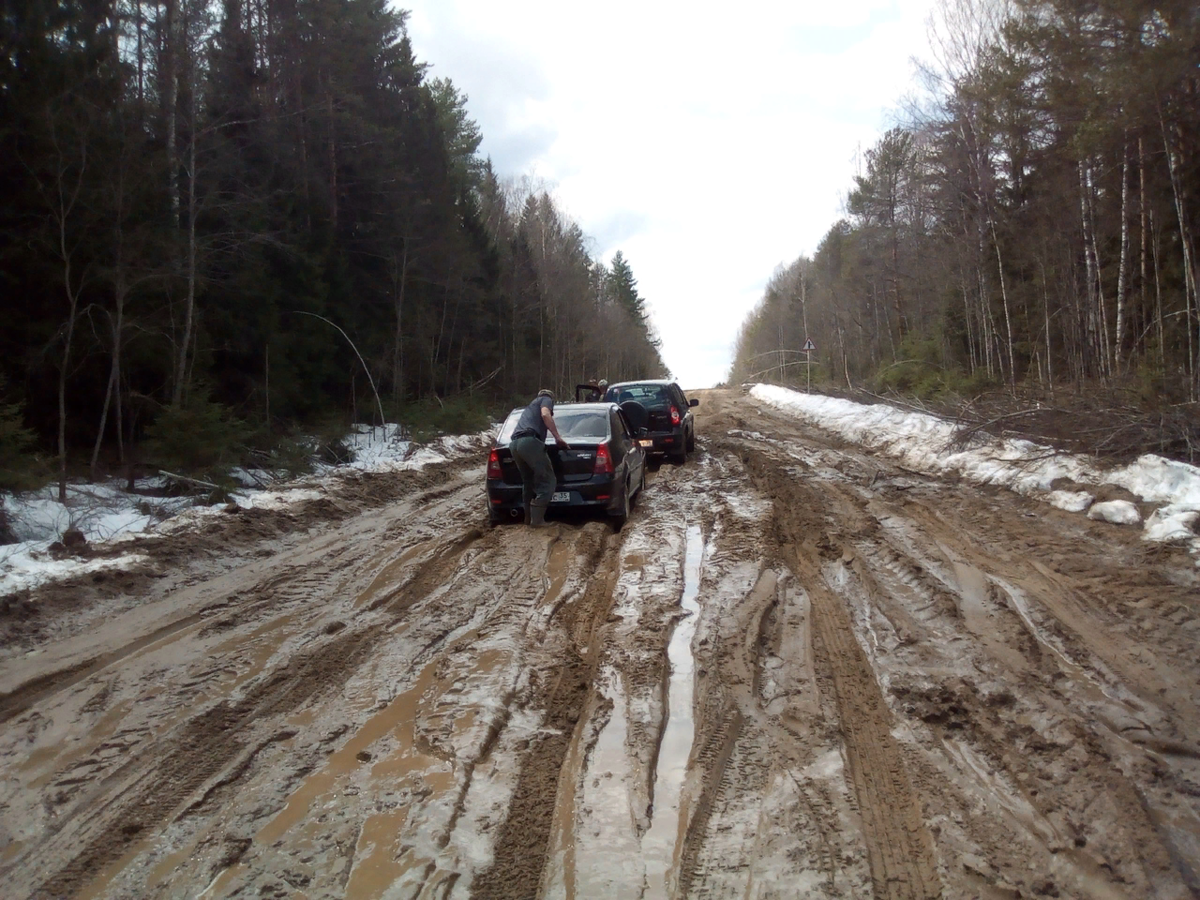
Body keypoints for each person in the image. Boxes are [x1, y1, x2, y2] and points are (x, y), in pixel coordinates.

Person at [509, 389, 570, 527]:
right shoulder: (546, 399)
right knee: (547, 481)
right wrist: (558, 438)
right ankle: (537, 521)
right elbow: (545, 414)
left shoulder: (530, 407)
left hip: (514, 444)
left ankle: (528, 518)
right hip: (530, 441)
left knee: (528, 481)